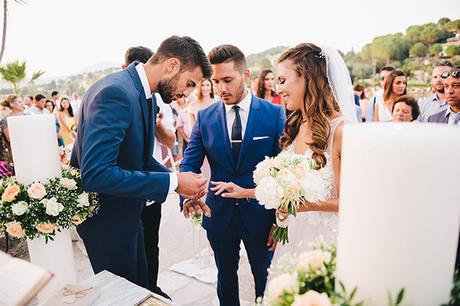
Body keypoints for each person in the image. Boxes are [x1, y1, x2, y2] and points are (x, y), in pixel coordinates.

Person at [70, 35, 212, 290]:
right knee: (124, 297)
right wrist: (175, 181)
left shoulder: (146, 95)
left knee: (143, 289)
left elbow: (141, 159)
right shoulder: (116, 92)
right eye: (189, 83)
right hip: (109, 228)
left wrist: (179, 184)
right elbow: (96, 173)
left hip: (129, 217)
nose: (186, 93)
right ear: (172, 65)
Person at [212, 43, 357, 261]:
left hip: (324, 244)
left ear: (307, 77)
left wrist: (295, 205)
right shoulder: (296, 124)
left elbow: (349, 201)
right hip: (294, 235)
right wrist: (245, 192)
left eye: (282, 80)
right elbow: (286, 188)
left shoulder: (340, 130)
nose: (278, 89)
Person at [180, 44, 285, 305]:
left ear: (246, 75)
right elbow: (189, 164)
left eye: (227, 80)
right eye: (215, 81)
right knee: (225, 277)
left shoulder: (273, 114)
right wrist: (187, 197)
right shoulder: (204, 118)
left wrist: (279, 220)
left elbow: (284, 169)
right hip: (219, 214)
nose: (220, 88)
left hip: (262, 216)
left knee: (267, 279)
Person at [123, 45, 176, 299]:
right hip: (129, 190)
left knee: (150, 244)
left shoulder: (155, 100)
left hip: (153, 185)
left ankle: (151, 288)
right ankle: (138, 293)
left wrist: (155, 124)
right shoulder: (121, 96)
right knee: (131, 249)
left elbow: (170, 142)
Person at [0, 95, 24, 176]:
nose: (22, 104)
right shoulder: (5, 120)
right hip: (14, 154)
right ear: (12, 104)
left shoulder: (25, 116)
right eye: (19, 102)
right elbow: (10, 138)